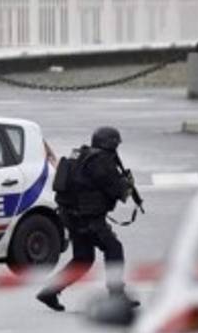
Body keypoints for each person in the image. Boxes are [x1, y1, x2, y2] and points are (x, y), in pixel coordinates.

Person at [36, 126, 140, 312]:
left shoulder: (81, 155)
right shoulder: (102, 162)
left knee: (83, 258)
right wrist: (127, 185)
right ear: (112, 144)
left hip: (70, 215)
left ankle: (50, 291)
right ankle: (116, 295)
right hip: (88, 218)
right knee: (113, 248)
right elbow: (117, 191)